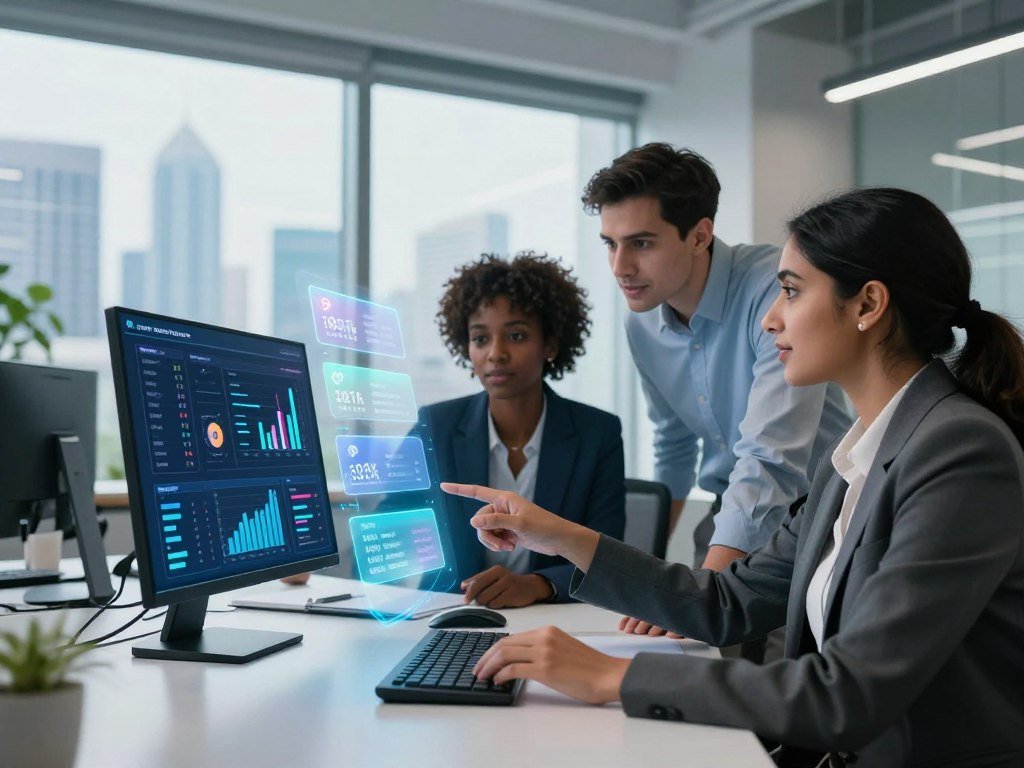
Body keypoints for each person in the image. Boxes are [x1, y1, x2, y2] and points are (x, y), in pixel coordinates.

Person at [443, 188, 1024, 765]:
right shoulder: (851, 458)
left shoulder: (959, 451)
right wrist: (559, 536)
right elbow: (727, 602)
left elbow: (847, 695)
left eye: (791, 291)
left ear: (867, 305)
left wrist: (611, 677)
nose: (771, 319)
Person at [583, 145, 851, 614]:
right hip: (729, 507)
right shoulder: (641, 322)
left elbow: (771, 457)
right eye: (610, 243)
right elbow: (674, 445)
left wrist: (699, 598)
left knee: (770, 650)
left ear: (700, 235)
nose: (620, 267)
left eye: (641, 244)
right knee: (685, 642)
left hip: (821, 510)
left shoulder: (776, 289)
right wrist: (646, 574)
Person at [424, 252, 625, 607]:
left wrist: (537, 584)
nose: (496, 353)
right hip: (453, 613)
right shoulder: (435, 426)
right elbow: (393, 528)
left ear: (550, 345)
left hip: (553, 619)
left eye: (516, 336)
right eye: (480, 338)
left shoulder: (597, 433)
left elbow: (608, 555)